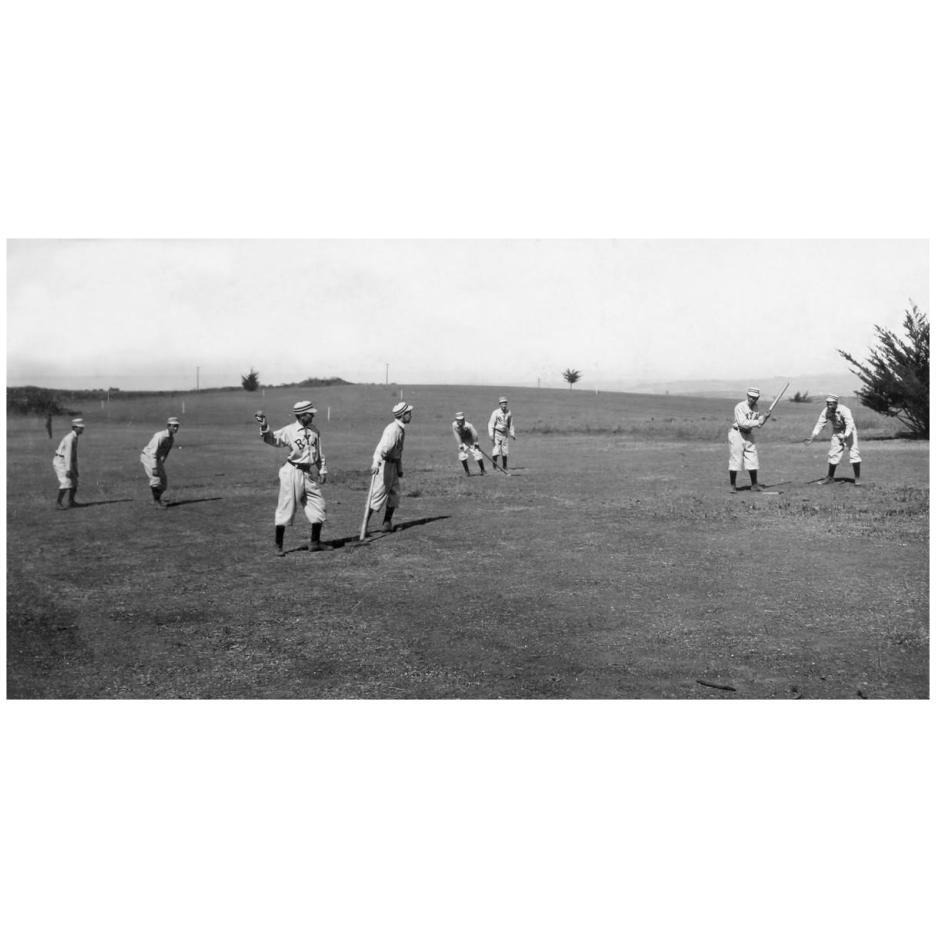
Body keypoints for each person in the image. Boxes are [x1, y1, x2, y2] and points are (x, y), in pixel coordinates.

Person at [255, 401, 330, 555]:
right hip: (292, 472)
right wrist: (264, 426)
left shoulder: (315, 430)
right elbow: (272, 439)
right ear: (302, 415)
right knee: (286, 507)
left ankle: (315, 542)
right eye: (310, 413)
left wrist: (322, 470)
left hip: (308, 473)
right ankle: (278, 545)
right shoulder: (289, 430)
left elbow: (319, 452)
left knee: (319, 505)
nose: (313, 415)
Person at [366, 400, 413, 533]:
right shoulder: (393, 430)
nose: (411, 415)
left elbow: (398, 451)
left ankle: (387, 523)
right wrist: (375, 463)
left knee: (394, 495)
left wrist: (399, 468)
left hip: (393, 465)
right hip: (384, 465)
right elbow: (382, 449)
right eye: (408, 413)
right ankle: (364, 526)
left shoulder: (400, 429)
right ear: (402, 415)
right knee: (378, 495)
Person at [806, 395, 862, 486]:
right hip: (837, 431)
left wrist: (846, 435)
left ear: (836, 404)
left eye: (831, 404)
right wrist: (812, 436)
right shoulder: (826, 411)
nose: (829, 406)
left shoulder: (845, 410)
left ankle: (857, 479)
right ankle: (830, 477)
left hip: (849, 431)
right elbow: (820, 424)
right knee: (833, 453)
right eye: (827, 404)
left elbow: (850, 424)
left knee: (854, 452)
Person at [728, 388, 768, 492]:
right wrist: (759, 421)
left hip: (748, 434)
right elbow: (743, 423)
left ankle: (754, 485)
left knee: (752, 458)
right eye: (750, 396)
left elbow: (758, 425)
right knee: (736, 459)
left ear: (757, 398)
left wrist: (765, 418)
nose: (752, 399)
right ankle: (732, 485)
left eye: (754, 397)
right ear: (747, 396)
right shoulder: (740, 407)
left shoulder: (755, 407)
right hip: (737, 433)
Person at [141, 417, 181, 508]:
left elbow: (166, 452)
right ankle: (156, 502)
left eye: (177, 426)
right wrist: (154, 467)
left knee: (163, 483)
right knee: (156, 480)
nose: (176, 428)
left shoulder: (171, 439)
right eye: (173, 426)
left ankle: (156, 499)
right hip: (148, 457)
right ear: (168, 426)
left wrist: (161, 462)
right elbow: (152, 453)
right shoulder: (160, 436)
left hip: (156, 459)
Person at [53, 417, 85, 508]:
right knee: (66, 482)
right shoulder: (70, 438)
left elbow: (73, 455)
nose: (82, 429)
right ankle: (58, 503)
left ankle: (71, 502)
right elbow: (67, 454)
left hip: (66, 461)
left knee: (74, 481)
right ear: (75, 427)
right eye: (80, 427)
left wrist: (75, 469)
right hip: (61, 461)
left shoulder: (75, 437)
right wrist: (68, 469)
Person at [452, 412, 486, 476]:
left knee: (477, 454)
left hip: (471, 440)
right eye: (458, 420)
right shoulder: (454, 425)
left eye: (461, 420)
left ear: (464, 419)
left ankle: (483, 470)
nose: (460, 421)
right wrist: (460, 444)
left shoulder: (468, 425)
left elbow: (475, 434)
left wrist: (476, 443)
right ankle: (467, 472)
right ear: (456, 420)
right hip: (462, 441)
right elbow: (456, 435)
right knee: (462, 455)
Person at [487, 396, 516, 471]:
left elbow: (511, 424)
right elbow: (491, 424)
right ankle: (494, 467)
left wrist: (512, 433)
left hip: (505, 434)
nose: (504, 405)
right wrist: (491, 434)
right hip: (496, 433)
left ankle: (504, 466)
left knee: (505, 451)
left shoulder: (509, 412)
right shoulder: (495, 413)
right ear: (500, 404)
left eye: (505, 403)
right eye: (502, 403)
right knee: (496, 450)